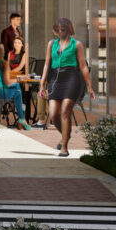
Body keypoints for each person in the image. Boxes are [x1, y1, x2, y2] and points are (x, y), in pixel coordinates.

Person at [41, 17, 89, 157]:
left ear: (69, 29)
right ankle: (65, 136)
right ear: (55, 30)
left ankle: (65, 148)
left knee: (65, 111)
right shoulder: (52, 44)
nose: (61, 32)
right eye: (59, 30)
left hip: (71, 78)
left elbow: (83, 65)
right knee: (54, 115)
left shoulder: (77, 44)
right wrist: (42, 82)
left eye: (64, 30)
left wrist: (90, 86)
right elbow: (46, 64)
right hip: (55, 79)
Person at [0, 12, 27, 83]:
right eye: (17, 19)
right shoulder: (6, 31)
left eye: (19, 19)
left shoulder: (18, 31)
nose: (19, 21)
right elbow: (4, 46)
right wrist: (11, 54)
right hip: (9, 58)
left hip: (18, 59)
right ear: (12, 20)